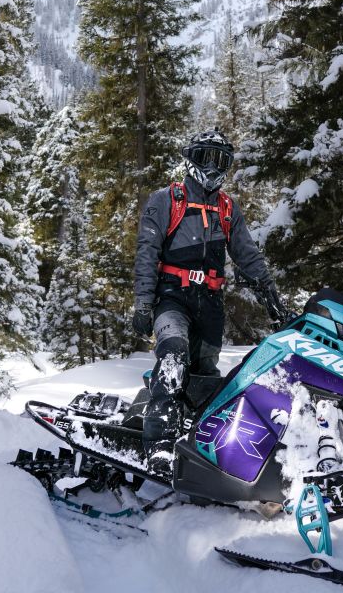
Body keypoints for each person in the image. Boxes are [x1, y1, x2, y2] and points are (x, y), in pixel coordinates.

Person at [132, 128, 285, 479]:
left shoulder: (228, 209)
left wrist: (272, 300)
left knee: (204, 378)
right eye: (206, 157)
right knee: (173, 357)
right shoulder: (167, 200)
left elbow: (248, 255)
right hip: (172, 297)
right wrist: (143, 303)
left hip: (211, 303)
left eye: (221, 160)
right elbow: (147, 252)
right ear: (191, 158)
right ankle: (158, 447)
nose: (213, 167)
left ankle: (197, 446)